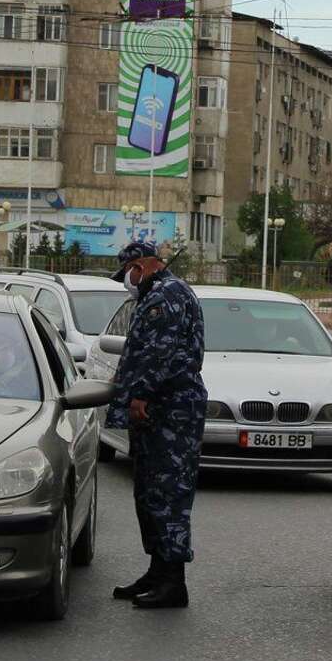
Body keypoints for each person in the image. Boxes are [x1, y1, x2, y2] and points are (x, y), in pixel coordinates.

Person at [105, 240, 207, 609]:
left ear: (143, 265)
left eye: (128, 272)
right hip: (159, 412)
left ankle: (173, 582)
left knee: (168, 496)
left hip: (171, 411)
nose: (127, 281)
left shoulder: (166, 296)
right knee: (149, 494)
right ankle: (157, 571)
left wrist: (140, 395)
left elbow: (160, 353)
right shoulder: (158, 293)